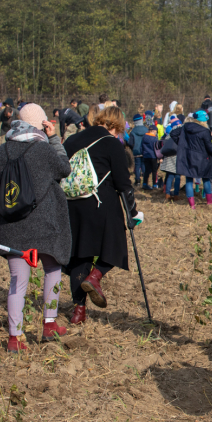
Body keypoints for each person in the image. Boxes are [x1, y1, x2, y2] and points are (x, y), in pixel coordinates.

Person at [0, 105, 72, 352]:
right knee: (53, 269)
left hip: (13, 226)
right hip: (46, 224)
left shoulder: (4, 150)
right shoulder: (44, 148)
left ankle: (14, 338)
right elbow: (64, 168)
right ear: (42, 123)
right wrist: (54, 137)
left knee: (17, 282)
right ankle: (49, 324)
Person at [63, 105, 142, 326]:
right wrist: (132, 213)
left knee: (80, 255)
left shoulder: (72, 141)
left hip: (72, 204)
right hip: (100, 203)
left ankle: (78, 311)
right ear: (116, 126)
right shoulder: (111, 144)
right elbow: (123, 184)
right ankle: (95, 277)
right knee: (116, 241)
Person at [175, 113, 212, 208]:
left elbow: (173, 133)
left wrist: (181, 145)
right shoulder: (205, 131)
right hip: (202, 159)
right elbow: (209, 147)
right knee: (206, 178)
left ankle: (192, 204)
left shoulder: (186, 127)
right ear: (203, 121)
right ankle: (209, 201)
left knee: (189, 180)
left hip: (188, 157)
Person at [160, 116, 182, 200]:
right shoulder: (181, 133)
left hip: (169, 157)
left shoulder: (170, 133)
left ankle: (167, 194)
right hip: (178, 157)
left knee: (169, 176)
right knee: (177, 177)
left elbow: (164, 142)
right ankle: (176, 194)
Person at [128, 113, 149, 186]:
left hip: (136, 150)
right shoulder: (146, 129)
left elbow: (130, 142)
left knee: (137, 165)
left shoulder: (133, 131)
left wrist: (132, 147)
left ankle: (137, 180)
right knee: (144, 164)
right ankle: (145, 181)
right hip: (144, 150)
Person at [141, 123, 160, 189]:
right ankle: (154, 185)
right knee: (154, 171)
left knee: (147, 170)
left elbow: (141, 147)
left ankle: (144, 183)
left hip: (146, 156)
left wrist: (143, 153)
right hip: (153, 157)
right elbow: (157, 148)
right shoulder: (155, 139)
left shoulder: (144, 137)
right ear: (154, 131)